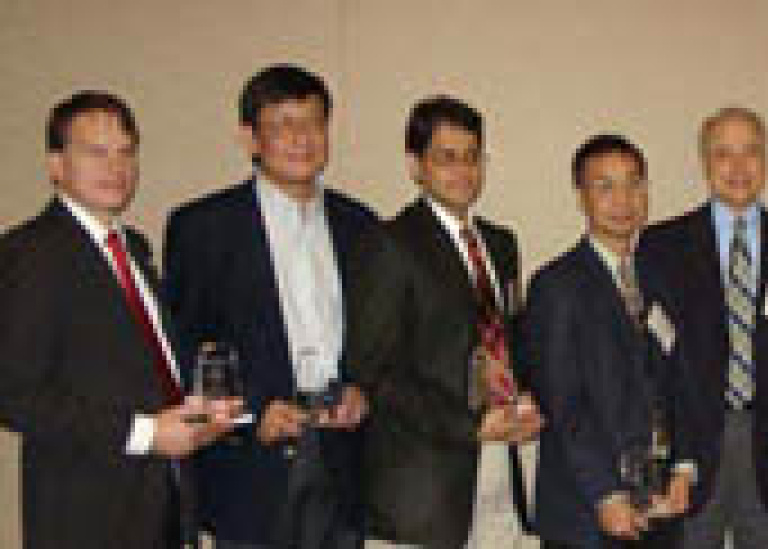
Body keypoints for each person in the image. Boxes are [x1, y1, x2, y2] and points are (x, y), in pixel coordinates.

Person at [0, 91, 242, 548]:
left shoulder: (133, 247)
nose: (115, 166)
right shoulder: (34, 252)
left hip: (162, 502)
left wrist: (197, 409)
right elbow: (14, 393)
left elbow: (137, 369)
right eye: (95, 152)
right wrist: (147, 434)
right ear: (56, 166)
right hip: (88, 516)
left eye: (126, 152)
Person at [164, 64, 378, 548]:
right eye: (283, 124)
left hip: (341, 457)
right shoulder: (204, 228)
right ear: (250, 138)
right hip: (251, 465)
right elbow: (183, 346)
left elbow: (378, 337)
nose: (302, 138)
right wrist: (249, 412)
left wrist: (364, 389)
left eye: (313, 122)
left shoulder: (360, 226)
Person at [346, 95, 543, 548]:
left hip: (502, 466)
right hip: (425, 488)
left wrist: (527, 395)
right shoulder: (390, 244)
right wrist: (471, 425)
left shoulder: (500, 242)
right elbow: (375, 374)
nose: (463, 171)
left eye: (472, 157)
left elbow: (509, 338)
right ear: (417, 166)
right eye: (446, 158)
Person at [637, 107, 768, 549]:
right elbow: (650, 364)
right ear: (704, 162)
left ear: (766, 160)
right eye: (723, 153)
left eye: (751, 152)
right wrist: (665, 456)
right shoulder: (661, 246)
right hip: (689, 452)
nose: (739, 167)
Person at [524, 134, 697, 549]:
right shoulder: (556, 285)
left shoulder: (660, 280)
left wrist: (684, 469)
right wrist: (605, 491)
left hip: (657, 508)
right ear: (581, 197)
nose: (623, 199)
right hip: (587, 515)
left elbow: (679, 383)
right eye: (605, 186)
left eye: (633, 184)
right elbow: (564, 404)